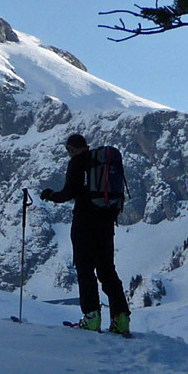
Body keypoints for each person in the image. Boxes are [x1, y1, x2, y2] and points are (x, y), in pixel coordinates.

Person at [41, 133, 131, 334]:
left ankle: (92, 317)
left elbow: (68, 193)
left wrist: (50, 195)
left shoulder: (77, 162)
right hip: (107, 223)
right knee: (108, 271)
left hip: (84, 224)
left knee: (85, 270)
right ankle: (121, 318)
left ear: (70, 149)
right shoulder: (99, 162)